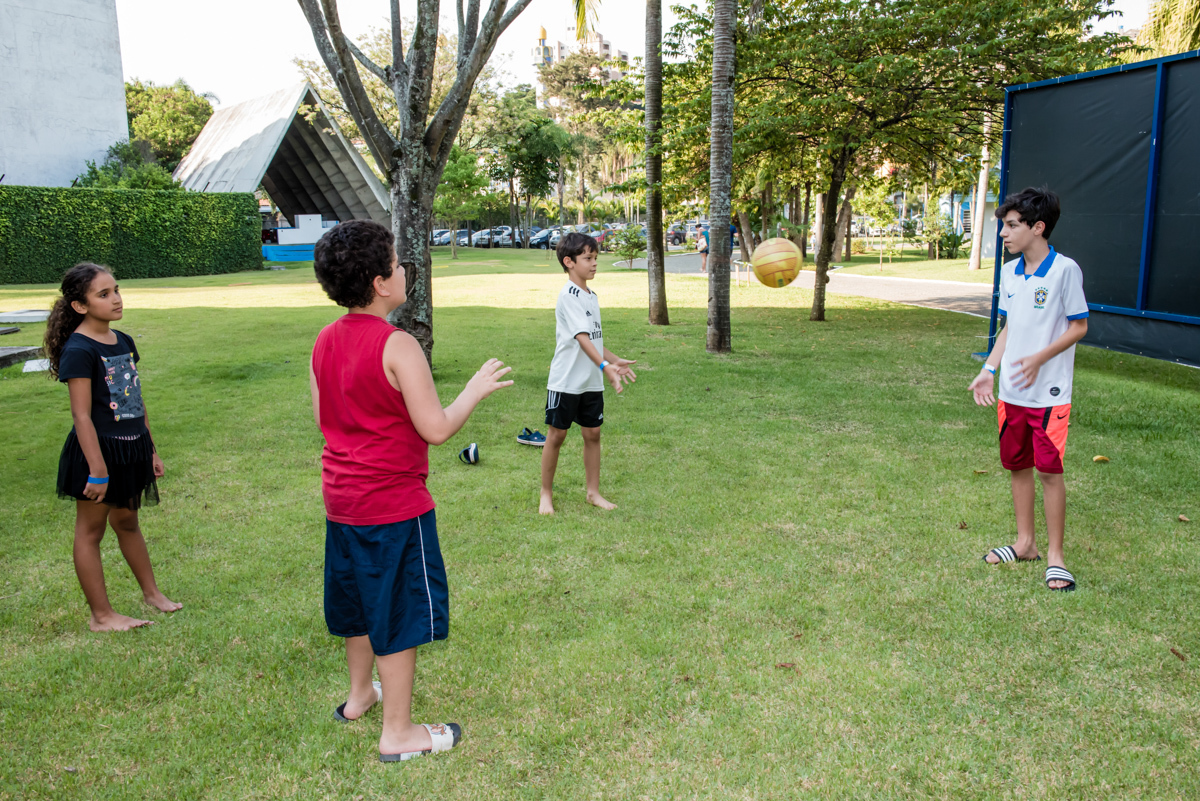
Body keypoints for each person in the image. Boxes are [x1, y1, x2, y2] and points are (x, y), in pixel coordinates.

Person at [310, 220, 512, 762]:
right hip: (392, 507)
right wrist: (472, 390)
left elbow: (323, 416)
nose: (404, 272)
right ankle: (397, 733)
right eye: (398, 264)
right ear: (380, 282)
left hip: (342, 501)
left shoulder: (324, 339)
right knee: (395, 612)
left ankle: (359, 698)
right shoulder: (397, 344)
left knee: (356, 602)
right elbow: (438, 429)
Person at [45, 262, 181, 632]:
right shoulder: (79, 349)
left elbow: (135, 399)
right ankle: (101, 616)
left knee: (128, 522)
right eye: (103, 294)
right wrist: (98, 470)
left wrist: (150, 448)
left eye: (116, 290)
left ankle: (152, 593)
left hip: (132, 447)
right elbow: (82, 415)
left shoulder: (122, 340)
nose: (116, 299)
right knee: (91, 532)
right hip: (99, 454)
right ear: (80, 306)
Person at [969, 187, 1089, 592]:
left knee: (1049, 472)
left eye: (1012, 225)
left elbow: (1079, 326)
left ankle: (1055, 558)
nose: (1003, 233)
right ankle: (1025, 545)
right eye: (1004, 225)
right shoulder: (1009, 272)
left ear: (1038, 228)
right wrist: (990, 368)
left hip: (1049, 395)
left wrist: (1040, 358)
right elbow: (1009, 327)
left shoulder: (1065, 270)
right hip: (1011, 396)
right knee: (1017, 466)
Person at [539, 232, 637, 515]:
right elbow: (581, 337)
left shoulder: (591, 296)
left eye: (596, 258)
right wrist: (605, 368)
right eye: (588, 258)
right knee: (556, 435)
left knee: (592, 433)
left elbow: (593, 339)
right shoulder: (568, 295)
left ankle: (593, 493)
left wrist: (614, 360)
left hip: (590, 381)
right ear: (569, 262)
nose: (594, 264)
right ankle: (546, 493)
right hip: (566, 380)